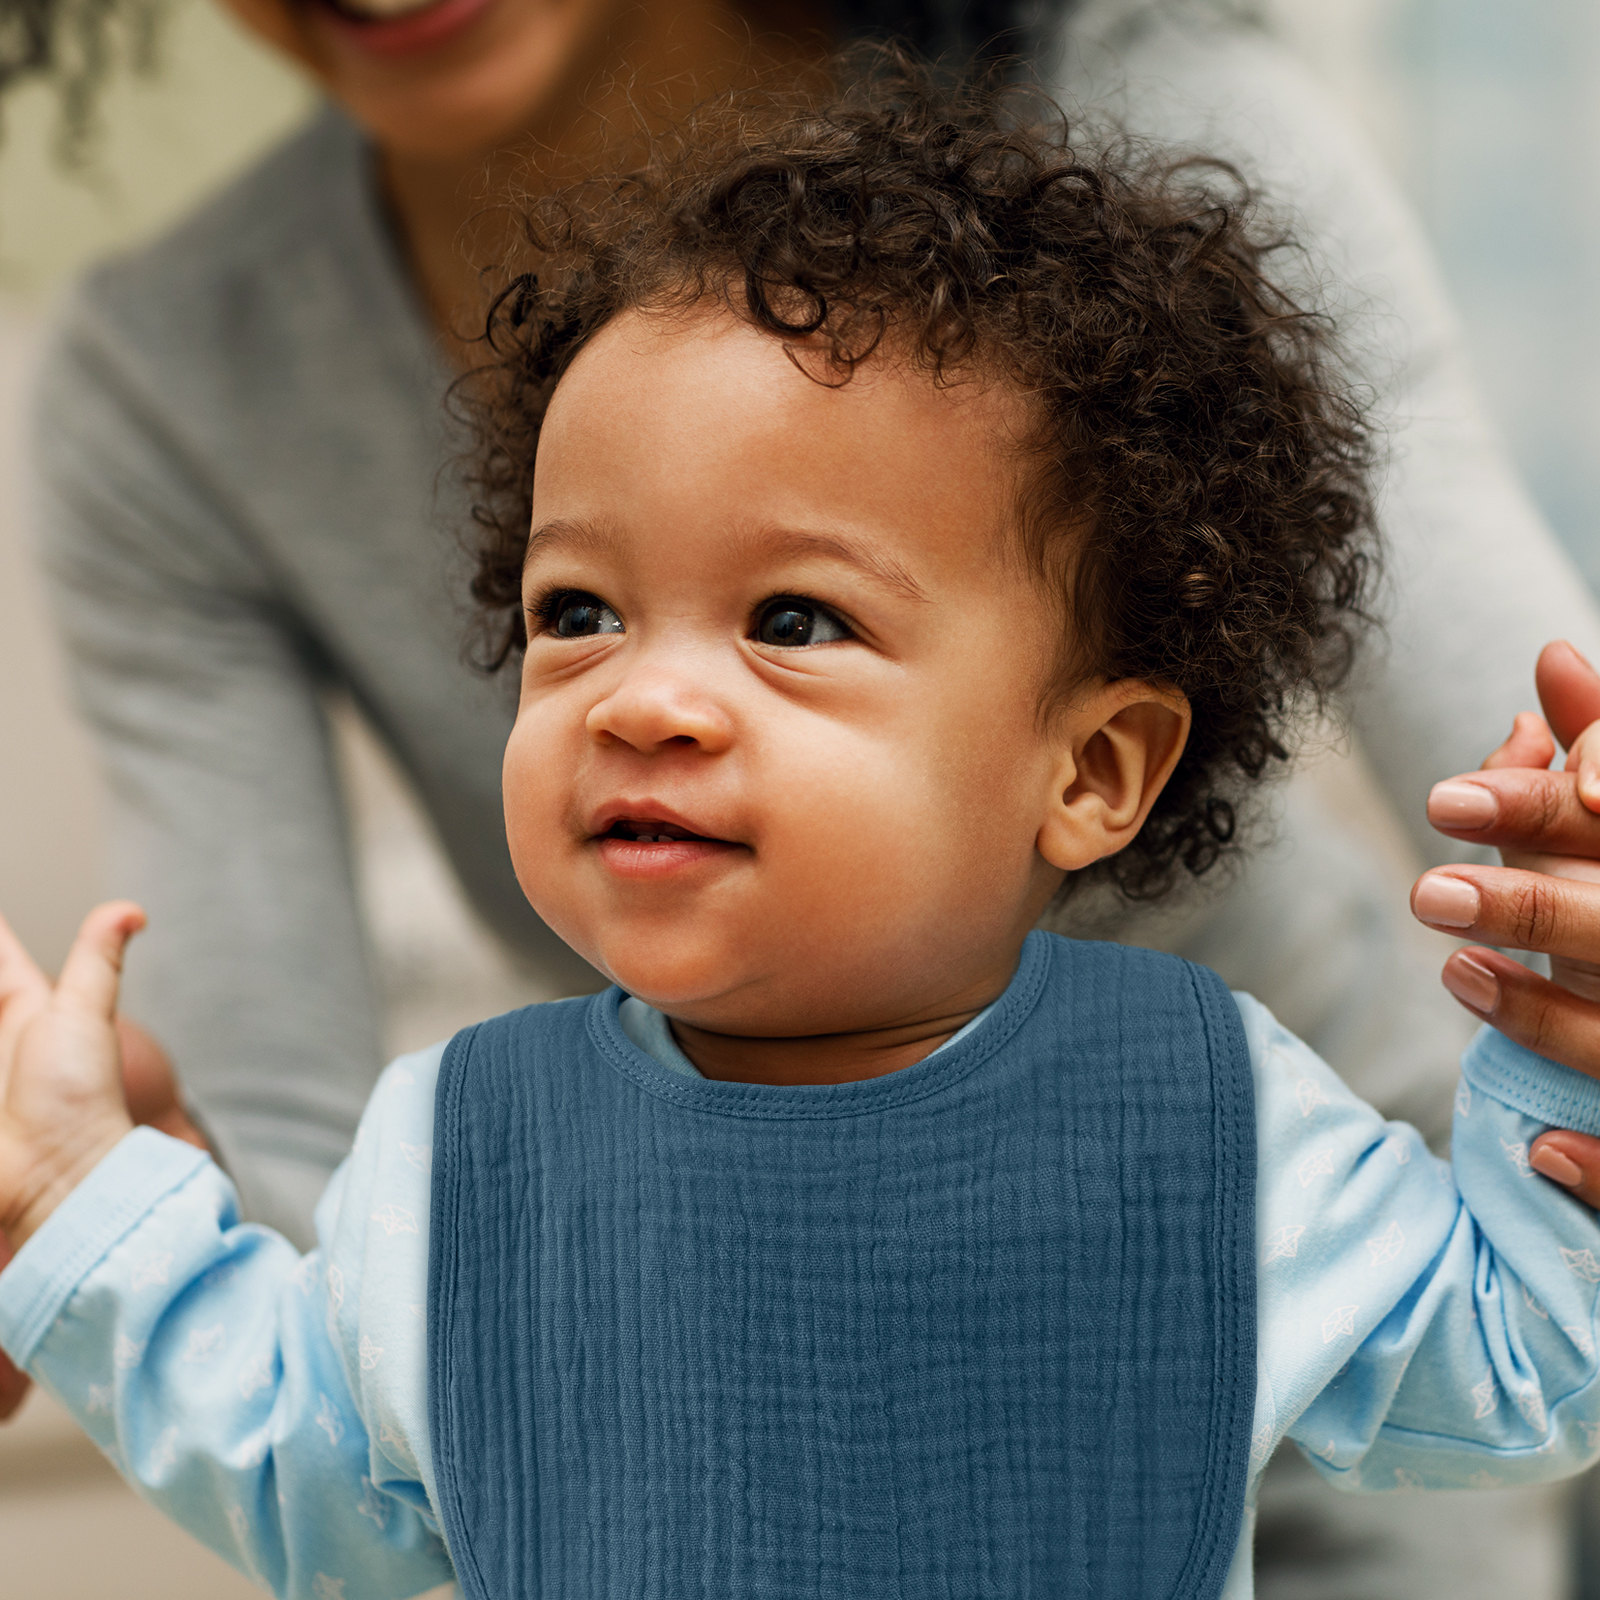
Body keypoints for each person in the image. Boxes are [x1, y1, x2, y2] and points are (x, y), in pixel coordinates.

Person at [13, 0, 1600, 1594]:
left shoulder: (1215, 1129)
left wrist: (1570, 1026)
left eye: (792, 622)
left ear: (1096, 769)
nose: (639, 697)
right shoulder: (463, 1155)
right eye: (576, 614)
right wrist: (81, 1199)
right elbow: (316, 1474)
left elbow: (1523, 1369)